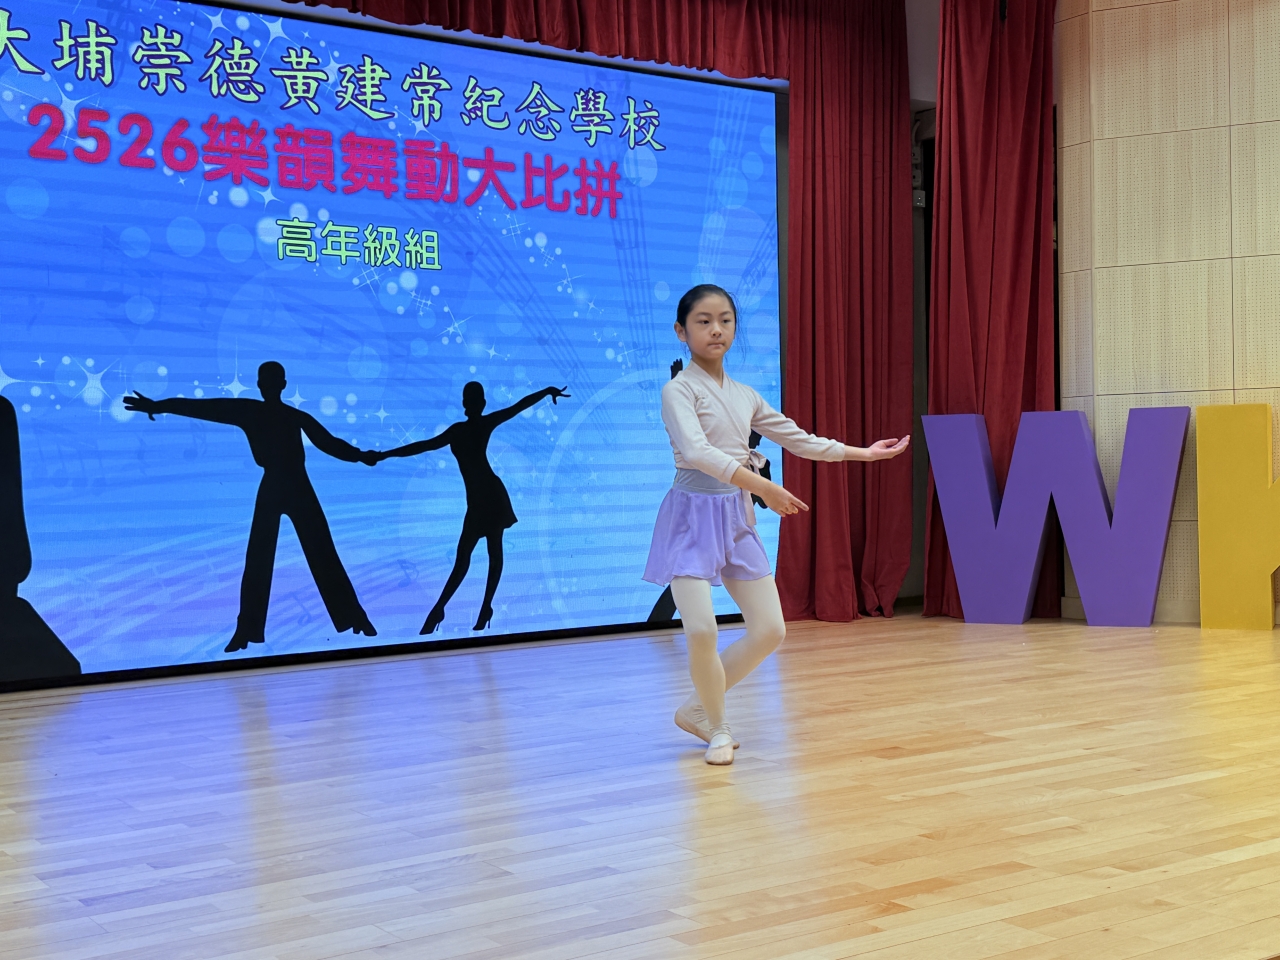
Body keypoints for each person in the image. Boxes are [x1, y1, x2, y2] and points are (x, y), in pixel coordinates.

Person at [645, 284, 909, 765]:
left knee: (770, 630)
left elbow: (799, 439)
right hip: (690, 518)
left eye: (725, 320)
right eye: (703, 321)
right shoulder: (677, 390)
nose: (716, 330)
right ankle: (718, 727)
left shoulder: (745, 395)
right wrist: (765, 487)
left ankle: (697, 708)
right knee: (701, 630)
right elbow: (699, 453)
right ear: (681, 331)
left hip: (735, 517)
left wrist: (864, 453)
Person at [124, 362, 378, 653]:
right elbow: (202, 407)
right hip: (278, 486)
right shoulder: (254, 411)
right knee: (260, 558)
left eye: (270, 382)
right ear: (268, 385)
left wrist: (360, 455)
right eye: (266, 382)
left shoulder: (286, 415)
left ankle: (355, 618)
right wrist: (159, 406)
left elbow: (329, 443)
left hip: (296, 485)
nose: (268, 387)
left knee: (320, 552)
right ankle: (247, 629)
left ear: (278, 385)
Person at [370, 382, 569, 634]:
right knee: (468, 556)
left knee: (484, 554)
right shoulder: (464, 429)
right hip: (479, 499)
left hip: (490, 497)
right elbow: (423, 445)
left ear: (473, 403)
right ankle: (448, 609)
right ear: (473, 403)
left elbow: (518, 407)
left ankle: (470, 608)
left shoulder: (471, 427)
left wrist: (547, 391)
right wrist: (385, 454)